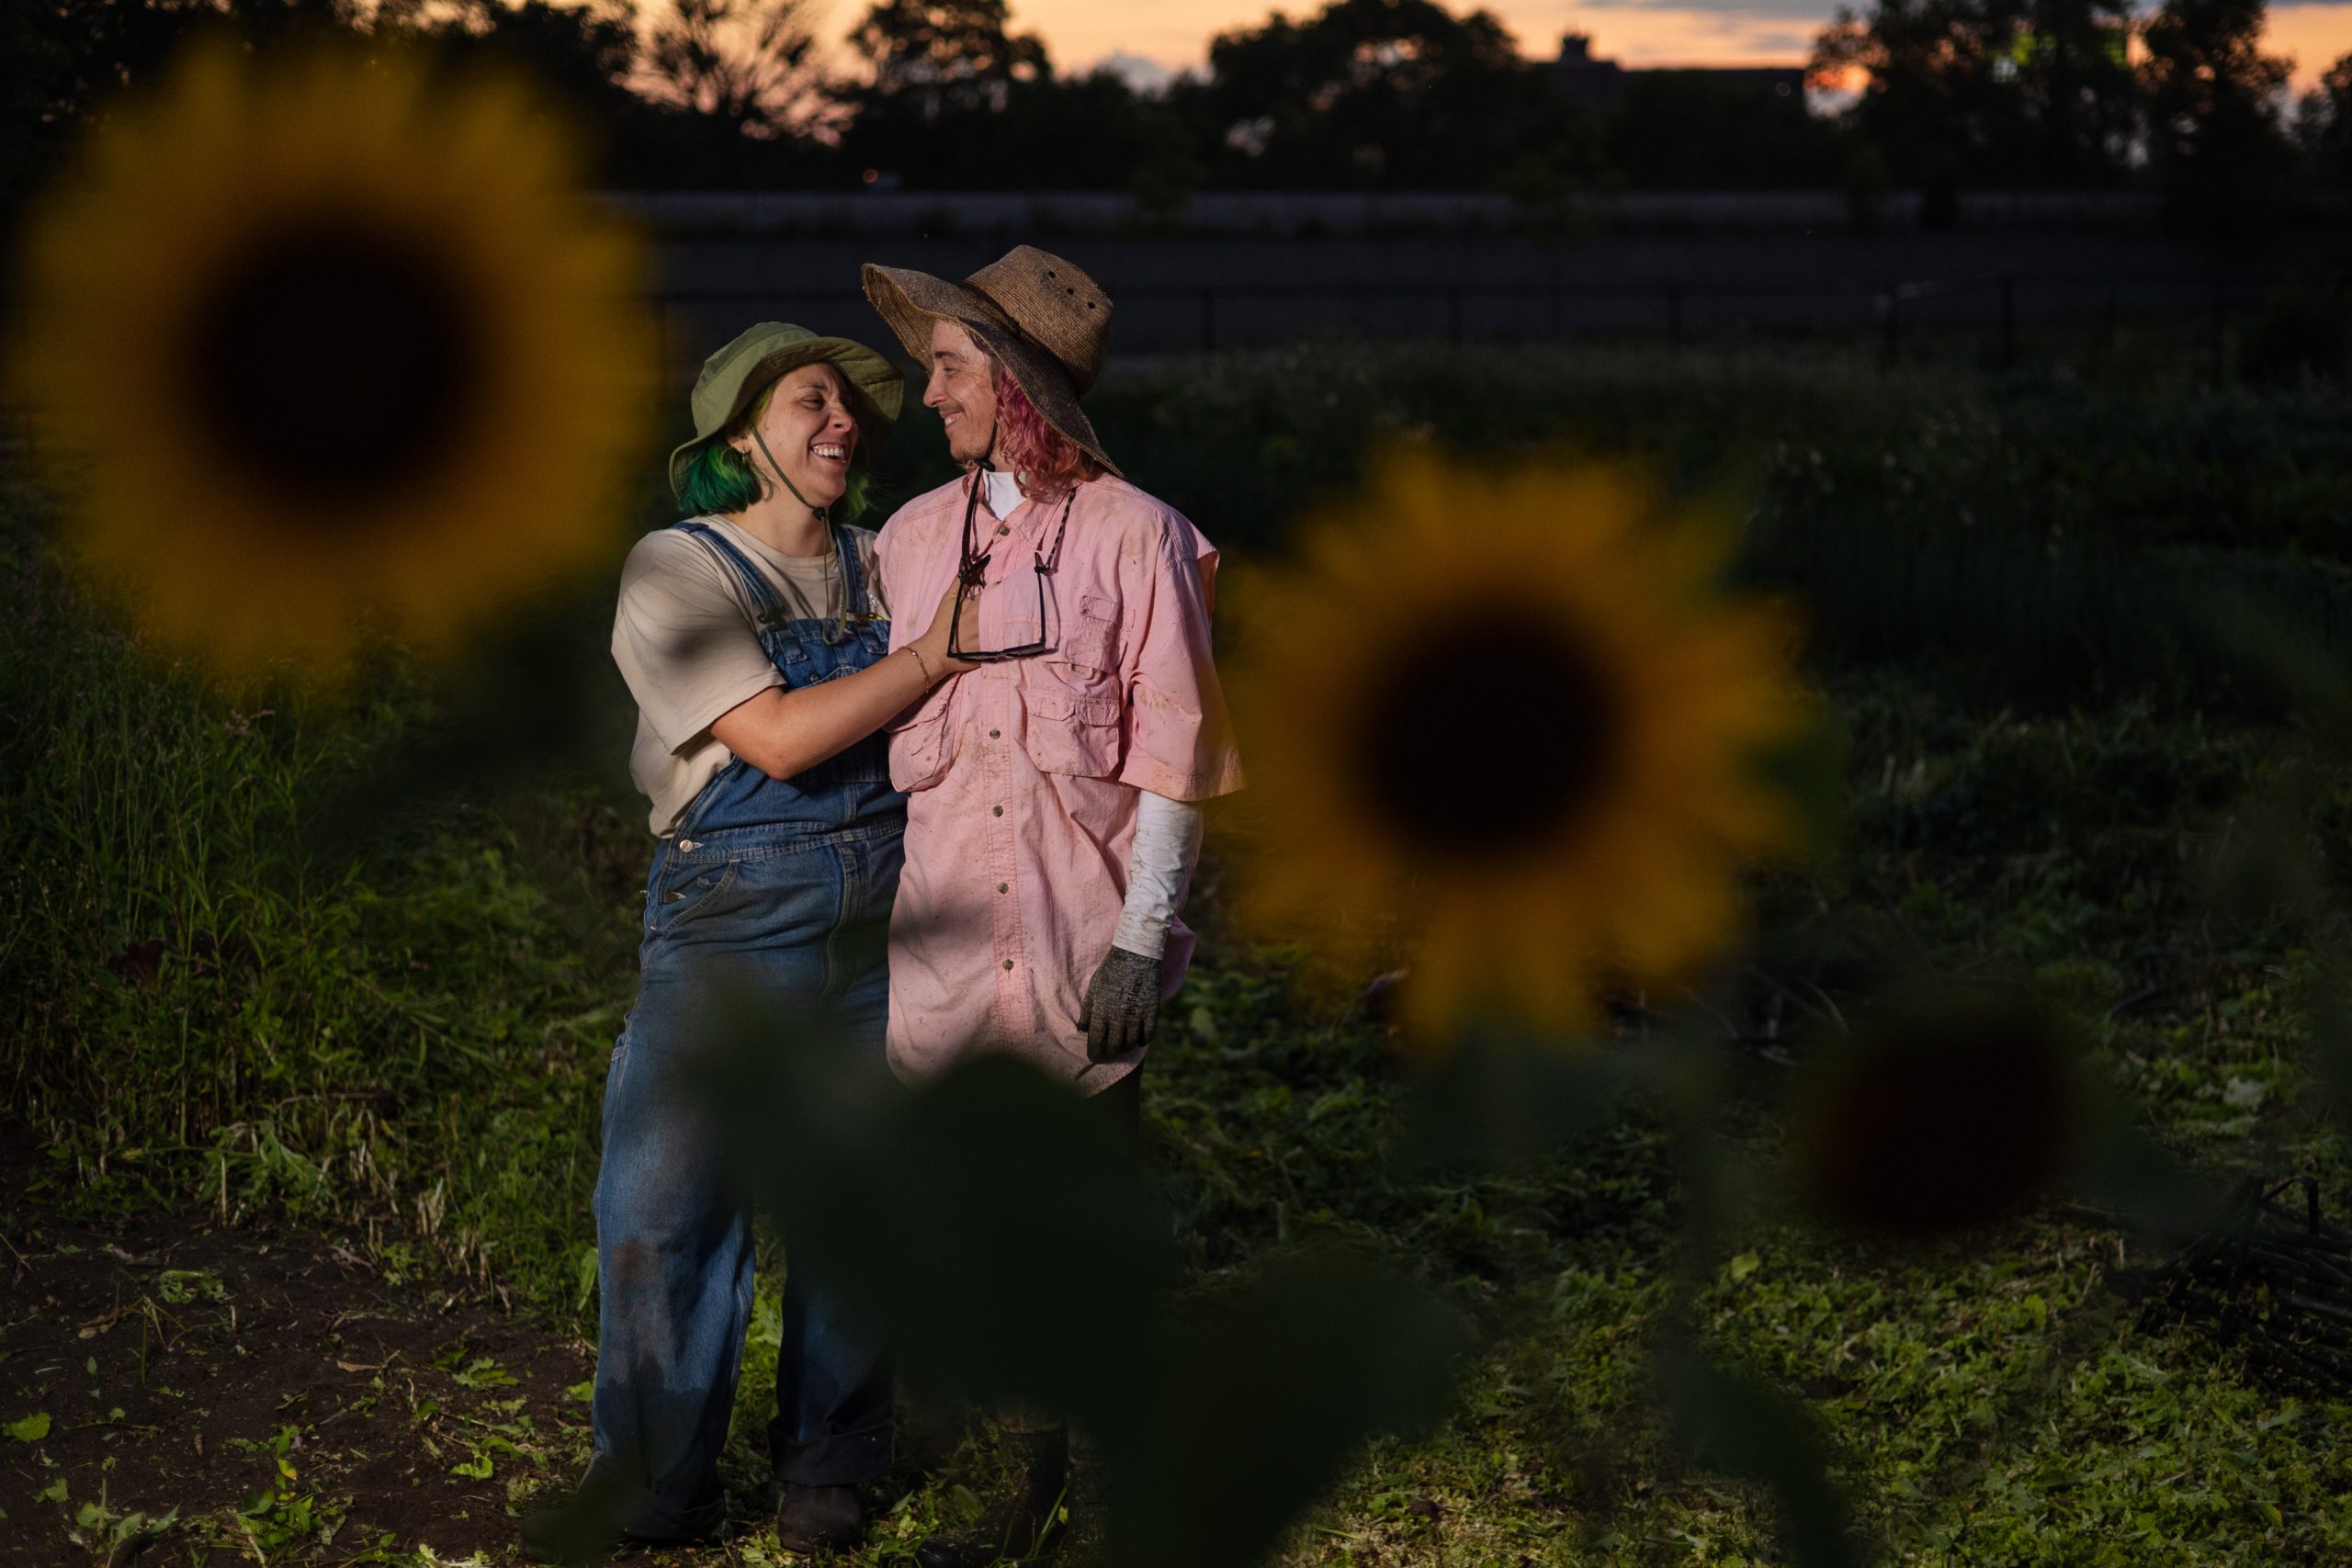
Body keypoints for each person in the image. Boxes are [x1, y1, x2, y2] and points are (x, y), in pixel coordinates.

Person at [525, 322, 977, 1562]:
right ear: (737, 438)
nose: (841, 423)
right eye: (808, 403)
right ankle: (662, 1484)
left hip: (886, 902)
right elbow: (774, 737)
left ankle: (832, 1462)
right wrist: (933, 654)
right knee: (668, 1207)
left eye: (851, 409)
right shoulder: (679, 567)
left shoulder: (884, 560)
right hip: (733, 909)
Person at [859, 247, 1245, 1564]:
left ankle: (1090, 1485)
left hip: (1083, 953)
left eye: (950, 371)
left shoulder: (1143, 537)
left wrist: (1143, 937)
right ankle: (1003, 1476)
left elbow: (1176, 753)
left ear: (1014, 382)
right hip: (950, 963)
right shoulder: (911, 543)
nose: (930, 398)